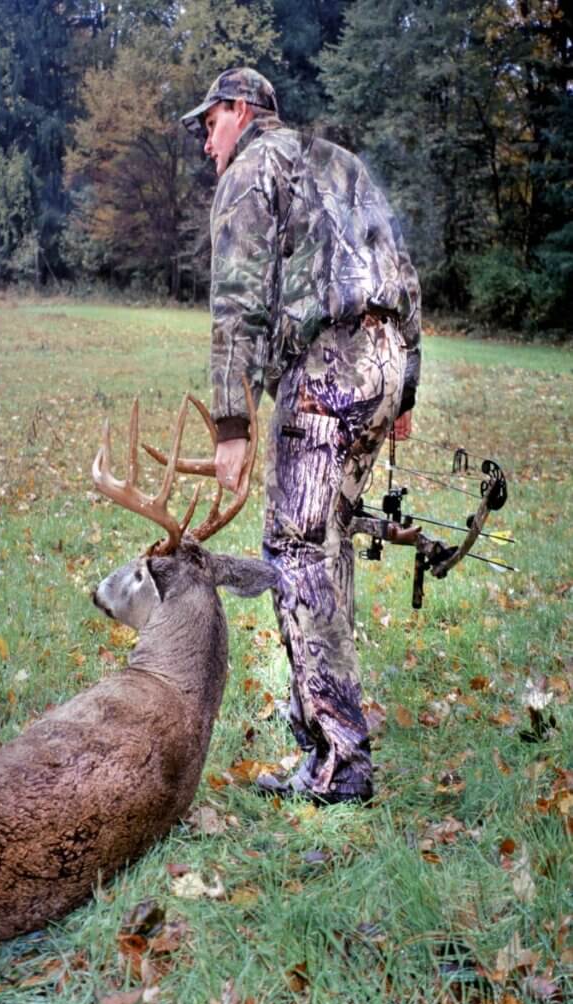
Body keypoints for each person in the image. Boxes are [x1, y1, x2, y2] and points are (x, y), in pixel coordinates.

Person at [181, 68, 421, 805]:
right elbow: (401, 271)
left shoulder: (252, 169)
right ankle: (321, 729)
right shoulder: (338, 162)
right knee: (328, 544)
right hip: (380, 361)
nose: (204, 141)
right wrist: (404, 381)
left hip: (326, 372)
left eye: (208, 123)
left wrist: (230, 426)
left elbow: (237, 300)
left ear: (241, 110)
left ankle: (337, 762)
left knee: (295, 554)